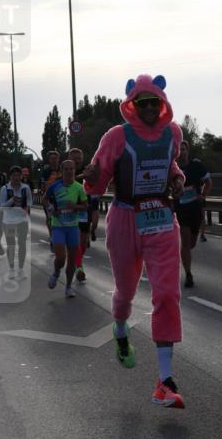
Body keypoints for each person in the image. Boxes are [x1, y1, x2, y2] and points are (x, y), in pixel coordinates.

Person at [83, 74, 186, 409]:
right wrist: (92, 179)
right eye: (143, 104)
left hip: (160, 217)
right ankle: (120, 328)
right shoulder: (117, 137)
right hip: (125, 218)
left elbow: (171, 166)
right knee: (126, 291)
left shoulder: (173, 133)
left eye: (154, 102)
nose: (150, 109)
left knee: (168, 293)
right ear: (131, 105)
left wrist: (178, 179)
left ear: (163, 103)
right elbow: (96, 186)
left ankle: (164, 381)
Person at [44, 158, 88, 297]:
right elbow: (44, 199)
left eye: (71, 169)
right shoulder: (55, 186)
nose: (69, 171)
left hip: (73, 228)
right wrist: (51, 210)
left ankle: (68, 287)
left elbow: (86, 206)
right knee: (61, 258)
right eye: (66, 169)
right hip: (58, 226)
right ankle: (56, 272)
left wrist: (74, 206)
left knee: (72, 260)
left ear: (75, 171)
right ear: (62, 171)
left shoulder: (79, 187)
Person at [175, 140, 212, 288]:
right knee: (185, 241)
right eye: (179, 149)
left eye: (184, 149)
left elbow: (209, 182)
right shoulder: (173, 169)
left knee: (191, 243)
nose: (182, 152)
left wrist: (202, 196)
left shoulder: (196, 166)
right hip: (181, 209)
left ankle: (185, 254)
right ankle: (188, 274)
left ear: (187, 151)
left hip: (195, 208)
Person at [1, 165, 32, 279]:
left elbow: (29, 202)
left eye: (18, 175)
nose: (16, 178)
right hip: (8, 221)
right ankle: (11, 269)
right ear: (10, 177)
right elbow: (1, 207)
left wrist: (26, 210)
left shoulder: (26, 188)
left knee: (22, 244)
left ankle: (21, 269)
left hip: (22, 220)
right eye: (14, 176)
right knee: (11, 245)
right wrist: (11, 200)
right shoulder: (5, 189)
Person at [67, 147, 91, 282]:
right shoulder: (66, 170)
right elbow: (68, 180)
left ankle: (78, 263)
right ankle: (79, 267)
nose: (76, 162)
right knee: (74, 242)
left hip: (83, 209)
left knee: (82, 243)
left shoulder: (87, 170)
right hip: (69, 211)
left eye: (79, 159)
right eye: (74, 159)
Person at [40, 151, 61, 250]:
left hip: (61, 198)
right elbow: (43, 185)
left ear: (58, 159)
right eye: (52, 158)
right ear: (49, 160)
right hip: (49, 199)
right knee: (50, 219)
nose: (54, 160)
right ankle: (52, 237)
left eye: (55, 158)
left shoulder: (62, 169)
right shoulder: (45, 172)